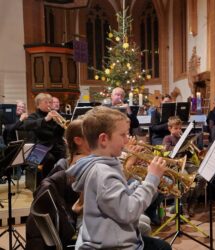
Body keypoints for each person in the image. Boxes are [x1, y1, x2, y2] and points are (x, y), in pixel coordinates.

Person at [66, 106, 171, 250]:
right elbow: (129, 212)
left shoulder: (105, 163)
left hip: (110, 237)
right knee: (163, 247)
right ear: (103, 139)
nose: (127, 139)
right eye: (123, 135)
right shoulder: (103, 173)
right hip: (111, 245)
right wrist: (151, 180)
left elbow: (117, 198)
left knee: (160, 245)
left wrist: (139, 184)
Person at [26, 119, 87, 250]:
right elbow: (80, 206)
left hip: (75, 221)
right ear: (78, 140)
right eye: (92, 136)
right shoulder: (82, 166)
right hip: (81, 226)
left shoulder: (69, 162)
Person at [20, 93, 66, 180]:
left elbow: (58, 135)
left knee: (65, 156)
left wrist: (60, 125)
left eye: (50, 102)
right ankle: (45, 183)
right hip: (37, 148)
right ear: (38, 104)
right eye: (46, 102)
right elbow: (26, 125)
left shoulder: (53, 116)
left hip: (53, 146)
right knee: (50, 159)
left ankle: (58, 181)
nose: (49, 104)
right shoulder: (33, 116)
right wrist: (45, 119)